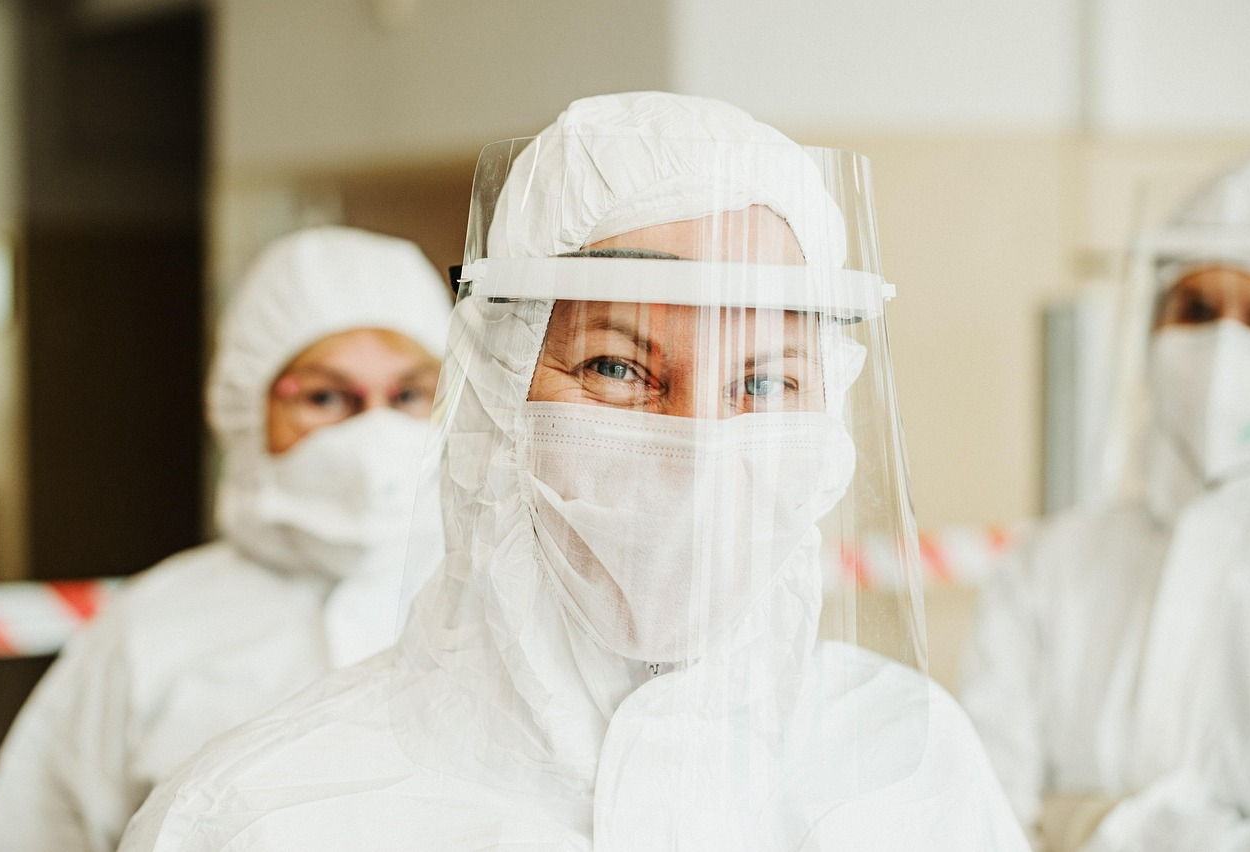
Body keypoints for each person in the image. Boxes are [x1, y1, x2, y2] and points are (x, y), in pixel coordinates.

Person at [118, 92, 1026, 851]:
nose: (701, 445)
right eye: (616, 368)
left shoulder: (908, 764)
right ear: (496, 393)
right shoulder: (265, 816)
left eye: (763, 380)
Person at [0, 227, 453, 852]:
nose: (373, 432)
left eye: (410, 394)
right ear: (248, 411)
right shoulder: (149, 628)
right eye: (326, 396)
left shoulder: (507, 602)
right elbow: (35, 834)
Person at [959, 159, 1250, 850]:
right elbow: (981, 811)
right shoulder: (1049, 565)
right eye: (1198, 311)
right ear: (1150, 332)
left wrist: (1084, 824)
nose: (1224, 348)